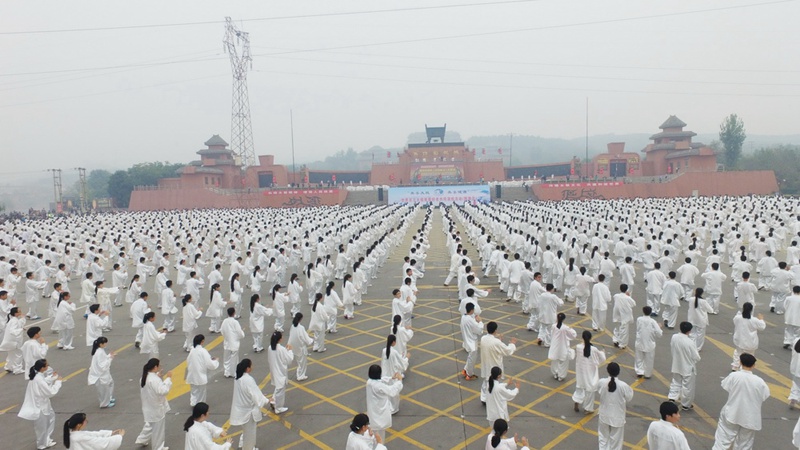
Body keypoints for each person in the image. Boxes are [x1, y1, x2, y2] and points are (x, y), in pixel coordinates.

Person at [712, 353, 770, 450]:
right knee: (745, 444)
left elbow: (725, 386)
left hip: (732, 412)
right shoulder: (760, 382)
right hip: (750, 417)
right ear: (754, 365)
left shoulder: (734, 376)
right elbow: (765, 395)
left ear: (740, 362)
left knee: (723, 439)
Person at [18, 359, 62, 449]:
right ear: (42, 368)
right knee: (41, 426)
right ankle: (41, 444)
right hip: (40, 406)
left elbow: (44, 381)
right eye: (47, 365)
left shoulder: (37, 376)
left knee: (50, 418)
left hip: (44, 404)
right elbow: (50, 392)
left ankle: (46, 439)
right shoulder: (38, 379)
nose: (48, 366)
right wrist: (58, 382)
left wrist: (53, 377)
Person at [229, 359, 271, 450]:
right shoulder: (248, 380)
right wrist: (267, 400)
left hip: (241, 410)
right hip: (248, 412)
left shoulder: (238, 376)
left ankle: (243, 444)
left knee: (246, 431)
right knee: (250, 434)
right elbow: (256, 396)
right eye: (251, 365)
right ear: (247, 368)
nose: (252, 367)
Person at [134, 358, 172, 450]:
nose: (160, 367)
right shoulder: (154, 379)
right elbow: (163, 391)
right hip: (156, 408)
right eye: (159, 365)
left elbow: (152, 385)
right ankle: (158, 447)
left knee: (150, 425)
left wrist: (157, 376)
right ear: (155, 367)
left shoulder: (144, 377)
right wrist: (168, 379)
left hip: (148, 407)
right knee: (158, 430)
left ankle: (142, 439)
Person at [596, 362, 634, 450]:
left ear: (607, 371)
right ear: (619, 372)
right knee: (616, 442)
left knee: (603, 438)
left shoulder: (602, 382)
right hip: (617, 417)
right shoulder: (623, 386)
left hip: (604, 415)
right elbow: (629, 397)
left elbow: (599, 391)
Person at [480, 321, 517, 403]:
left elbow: (493, 344)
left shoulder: (483, 339)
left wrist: (499, 340)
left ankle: (484, 398)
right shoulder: (496, 342)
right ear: (495, 330)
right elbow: (507, 351)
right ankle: (492, 399)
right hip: (494, 364)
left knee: (486, 381)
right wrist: (512, 344)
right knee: (495, 383)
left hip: (486, 364)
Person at [365, 364, 403, 441]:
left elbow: (380, 380)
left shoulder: (369, 382)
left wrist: (390, 378)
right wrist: (399, 381)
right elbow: (392, 391)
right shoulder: (379, 386)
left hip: (373, 415)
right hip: (380, 416)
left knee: (372, 436)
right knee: (380, 438)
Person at [668, 322, 701, 411]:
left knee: (675, 382)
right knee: (687, 387)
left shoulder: (674, 337)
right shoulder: (690, 342)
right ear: (689, 331)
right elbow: (696, 357)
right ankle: (686, 404)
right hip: (687, 367)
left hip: (676, 364)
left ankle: (672, 397)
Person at [573, 330, 606, 414]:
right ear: (591, 338)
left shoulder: (578, 347)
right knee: (590, 390)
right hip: (590, 373)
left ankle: (576, 402)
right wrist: (603, 352)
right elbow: (602, 359)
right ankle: (587, 408)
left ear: (582, 338)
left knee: (579, 387)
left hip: (580, 372)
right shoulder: (594, 349)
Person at [186, 334, 219, 407]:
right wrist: (216, 361)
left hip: (192, 374)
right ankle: (200, 405)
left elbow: (188, 361)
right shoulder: (203, 351)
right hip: (200, 375)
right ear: (202, 341)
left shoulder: (192, 350)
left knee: (194, 391)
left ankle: (193, 403)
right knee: (201, 392)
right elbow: (210, 364)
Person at [732, 302, 766, 371]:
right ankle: (744, 368)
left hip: (739, 340)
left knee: (738, 353)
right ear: (751, 310)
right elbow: (762, 327)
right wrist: (761, 319)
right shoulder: (754, 320)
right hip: (750, 342)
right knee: (749, 355)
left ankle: (735, 366)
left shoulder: (738, 318)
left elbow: (735, 321)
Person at [267, 330, 294, 414]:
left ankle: (274, 401)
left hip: (274, 370)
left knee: (278, 387)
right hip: (280, 371)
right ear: (279, 339)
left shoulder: (270, 347)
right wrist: (289, 350)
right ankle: (278, 407)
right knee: (280, 390)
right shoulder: (281, 349)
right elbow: (289, 360)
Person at [635, 306, 663, 379]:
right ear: (650, 312)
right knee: (649, 359)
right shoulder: (653, 322)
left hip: (640, 341)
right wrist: (659, 327)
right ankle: (647, 374)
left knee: (639, 357)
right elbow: (659, 333)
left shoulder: (639, 319)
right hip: (649, 343)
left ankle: (639, 371)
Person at [88, 337, 116, 408]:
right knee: (104, 390)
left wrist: (109, 356)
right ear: (101, 344)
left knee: (110, 384)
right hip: (100, 375)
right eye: (105, 343)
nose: (106, 344)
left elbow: (103, 359)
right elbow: (102, 365)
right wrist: (110, 359)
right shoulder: (99, 352)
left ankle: (108, 399)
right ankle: (104, 403)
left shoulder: (100, 350)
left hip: (103, 374)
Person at [549, 312, 577, 381]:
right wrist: (571, 328)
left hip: (555, 346)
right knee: (563, 362)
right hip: (563, 346)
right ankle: (561, 376)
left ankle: (555, 373)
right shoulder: (565, 328)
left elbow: (551, 334)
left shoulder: (553, 326)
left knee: (555, 361)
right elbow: (573, 335)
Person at [460, 302, 483, 380]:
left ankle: (465, 370)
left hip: (467, 339)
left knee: (470, 357)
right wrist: (480, 322)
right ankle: (469, 374)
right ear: (472, 310)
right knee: (472, 359)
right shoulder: (470, 320)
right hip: (472, 341)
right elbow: (479, 330)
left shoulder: (464, 317)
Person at [288, 312, 314, 381]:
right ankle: (300, 375)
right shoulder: (301, 328)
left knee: (299, 361)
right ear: (301, 319)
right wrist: (311, 341)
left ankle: (299, 374)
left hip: (295, 347)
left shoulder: (293, 326)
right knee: (302, 363)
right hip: (301, 348)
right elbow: (305, 338)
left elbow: (291, 337)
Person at [221, 307, 245, 378]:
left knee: (226, 358)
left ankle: (227, 372)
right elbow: (239, 332)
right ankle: (233, 372)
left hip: (227, 341)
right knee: (234, 358)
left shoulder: (224, 321)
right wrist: (242, 334)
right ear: (234, 313)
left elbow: (222, 331)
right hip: (234, 342)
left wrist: (226, 336)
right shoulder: (235, 322)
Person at [1, 306, 26, 373]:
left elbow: (20, 323)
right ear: (16, 314)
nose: (21, 312)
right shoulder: (14, 321)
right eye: (19, 311)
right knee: (18, 354)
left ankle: (8, 366)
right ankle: (17, 369)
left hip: (9, 342)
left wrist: (22, 319)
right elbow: (13, 331)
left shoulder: (13, 320)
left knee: (11, 354)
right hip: (14, 342)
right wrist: (21, 329)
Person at [612, 284, 636, 349]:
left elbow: (615, 298)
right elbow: (634, 304)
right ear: (626, 290)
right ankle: (622, 344)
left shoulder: (616, 296)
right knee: (624, 330)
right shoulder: (628, 298)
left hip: (617, 314)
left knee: (617, 328)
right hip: (625, 315)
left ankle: (615, 340)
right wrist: (629, 295)